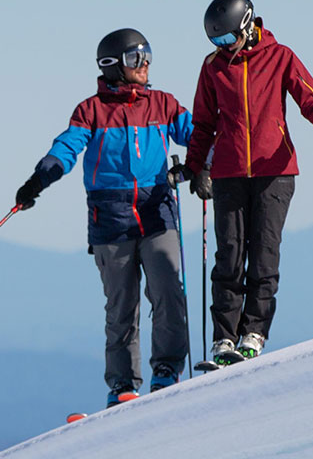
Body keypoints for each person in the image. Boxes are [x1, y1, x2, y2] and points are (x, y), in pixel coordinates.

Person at [15, 28, 196, 407]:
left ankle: (167, 371)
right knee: (121, 305)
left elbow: (197, 135)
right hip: (110, 217)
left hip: (157, 210)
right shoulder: (91, 110)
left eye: (147, 55)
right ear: (113, 65)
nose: (145, 64)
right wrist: (39, 179)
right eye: (135, 58)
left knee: (168, 292)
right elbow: (66, 147)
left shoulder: (162, 104)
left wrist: (204, 165)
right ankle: (123, 385)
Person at [183, 0, 313, 366]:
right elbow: (203, 125)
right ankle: (223, 340)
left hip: (275, 172)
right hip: (229, 172)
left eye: (227, 39)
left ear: (247, 25)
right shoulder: (213, 68)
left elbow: (311, 102)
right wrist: (196, 168)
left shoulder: (280, 57)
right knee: (228, 255)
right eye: (216, 42)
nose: (224, 47)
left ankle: (254, 334)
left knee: (263, 255)